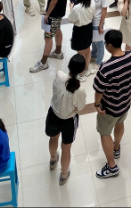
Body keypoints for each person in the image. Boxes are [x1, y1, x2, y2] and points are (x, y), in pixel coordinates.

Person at [93, 28, 131, 179]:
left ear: (110, 45)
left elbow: (99, 90)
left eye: (106, 43)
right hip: (125, 102)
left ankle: (112, 166)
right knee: (120, 123)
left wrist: (97, 105)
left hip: (109, 108)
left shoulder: (106, 67)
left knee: (105, 133)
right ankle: (116, 147)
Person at [46, 54, 87, 186]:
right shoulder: (79, 90)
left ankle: (53, 160)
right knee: (66, 148)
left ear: (69, 65)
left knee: (53, 138)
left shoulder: (59, 75)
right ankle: (63, 175)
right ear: (82, 71)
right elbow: (80, 107)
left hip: (53, 114)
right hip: (68, 120)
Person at [30, 0, 68, 72]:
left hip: (54, 13)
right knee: (57, 29)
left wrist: (47, 14)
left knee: (48, 37)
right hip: (60, 11)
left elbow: (54, 1)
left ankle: (43, 63)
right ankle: (58, 52)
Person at [68, 0, 95, 80]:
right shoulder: (92, 3)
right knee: (87, 50)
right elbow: (93, 16)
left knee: (81, 53)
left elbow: (71, 20)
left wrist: (71, 7)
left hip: (79, 31)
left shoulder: (77, 8)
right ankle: (86, 69)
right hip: (89, 28)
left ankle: (81, 73)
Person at [89, 0, 109, 69]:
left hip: (97, 20)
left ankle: (99, 61)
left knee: (99, 42)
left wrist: (100, 26)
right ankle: (93, 55)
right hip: (89, 19)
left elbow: (104, 10)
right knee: (93, 39)